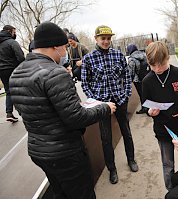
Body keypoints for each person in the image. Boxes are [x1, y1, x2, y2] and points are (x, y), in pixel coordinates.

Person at [9, 21, 116, 199]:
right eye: (65, 47)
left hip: (39, 151)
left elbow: (31, 111)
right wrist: (104, 108)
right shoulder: (55, 73)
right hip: (65, 153)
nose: (66, 52)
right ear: (55, 46)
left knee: (60, 193)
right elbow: (76, 118)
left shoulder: (17, 73)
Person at [81, 25, 138, 184]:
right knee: (106, 138)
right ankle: (112, 169)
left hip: (120, 100)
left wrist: (125, 95)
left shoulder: (118, 55)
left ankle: (131, 160)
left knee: (126, 131)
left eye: (108, 38)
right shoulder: (89, 59)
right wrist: (98, 103)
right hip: (102, 105)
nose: (106, 41)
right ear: (96, 39)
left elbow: (127, 77)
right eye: (103, 38)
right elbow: (85, 84)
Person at [142, 41, 178, 190]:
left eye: (161, 64)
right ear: (149, 63)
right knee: (167, 165)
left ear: (168, 58)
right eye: (154, 66)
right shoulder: (147, 81)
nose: (158, 69)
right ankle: (170, 192)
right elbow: (145, 104)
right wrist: (150, 111)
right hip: (163, 130)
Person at [0, 25, 25, 122]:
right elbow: (20, 57)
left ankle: (9, 113)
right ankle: (22, 112)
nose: (15, 34)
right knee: (19, 89)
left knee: (9, 91)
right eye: (14, 32)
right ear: (10, 31)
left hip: (2, 71)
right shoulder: (12, 42)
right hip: (13, 69)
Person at [127, 44, 149, 114]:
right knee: (147, 93)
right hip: (146, 77)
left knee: (141, 93)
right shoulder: (144, 55)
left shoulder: (131, 59)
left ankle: (144, 108)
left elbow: (131, 72)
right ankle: (149, 106)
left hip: (137, 80)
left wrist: (129, 80)